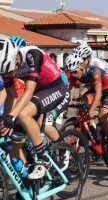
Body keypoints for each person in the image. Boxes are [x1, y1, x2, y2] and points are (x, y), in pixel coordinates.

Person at [0, 38, 68, 179]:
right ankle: (28, 185)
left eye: (8, 71)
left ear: (16, 58)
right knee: (15, 140)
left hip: (55, 87)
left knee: (23, 114)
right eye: (4, 74)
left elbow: (29, 90)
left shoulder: (32, 55)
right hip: (38, 91)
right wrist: (5, 121)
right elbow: (11, 95)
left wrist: (12, 116)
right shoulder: (7, 68)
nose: (7, 75)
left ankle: (43, 158)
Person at [65, 53, 108, 150]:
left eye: (74, 72)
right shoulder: (74, 74)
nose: (73, 75)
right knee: (82, 98)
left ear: (81, 67)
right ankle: (91, 130)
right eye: (70, 72)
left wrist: (92, 110)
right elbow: (71, 91)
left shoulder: (94, 71)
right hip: (95, 87)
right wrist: (65, 106)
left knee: (102, 118)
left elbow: (98, 94)